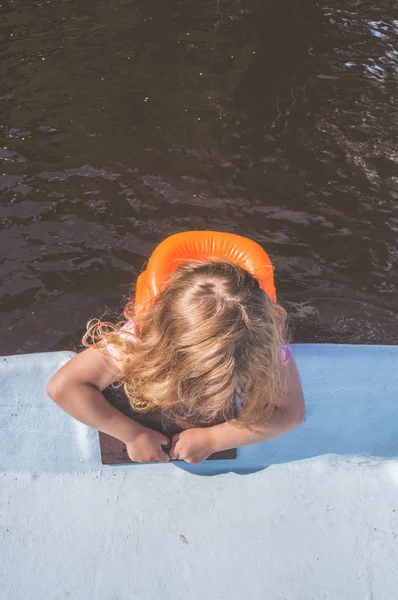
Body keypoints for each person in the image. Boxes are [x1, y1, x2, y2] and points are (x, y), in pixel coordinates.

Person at [47, 231, 304, 464]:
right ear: (163, 339)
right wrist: (132, 435)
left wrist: (214, 439)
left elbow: (290, 413)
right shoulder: (137, 341)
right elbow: (63, 387)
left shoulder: (262, 346)